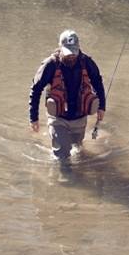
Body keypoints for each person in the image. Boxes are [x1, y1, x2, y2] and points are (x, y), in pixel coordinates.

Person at [29, 29, 106, 161]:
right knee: (62, 155)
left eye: (74, 53)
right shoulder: (50, 65)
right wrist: (33, 118)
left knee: (78, 148)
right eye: (68, 53)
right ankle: (64, 179)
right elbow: (36, 89)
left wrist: (102, 107)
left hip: (80, 117)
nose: (71, 56)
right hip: (58, 118)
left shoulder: (87, 62)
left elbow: (98, 83)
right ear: (60, 47)